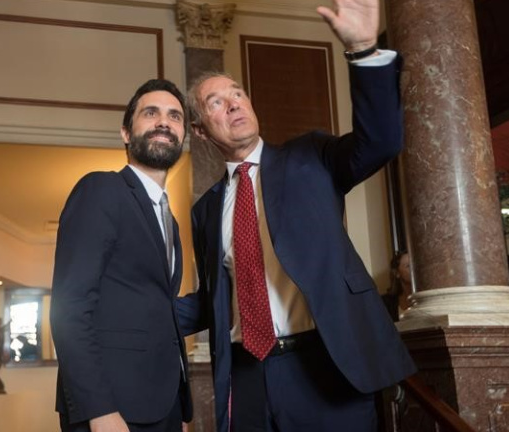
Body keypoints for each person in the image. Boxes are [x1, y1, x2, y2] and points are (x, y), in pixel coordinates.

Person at [175, 0, 416, 430]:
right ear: (199, 130)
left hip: (326, 369)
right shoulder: (205, 210)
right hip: (247, 377)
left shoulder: (310, 156)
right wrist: (129, 314)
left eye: (238, 94)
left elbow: (380, 142)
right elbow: (214, 298)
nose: (233, 104)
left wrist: (363, 51)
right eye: (216, 102)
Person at [51, 79, 192, 432]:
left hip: (163, 405)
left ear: (183, 136)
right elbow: (70, 307)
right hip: (112, 409)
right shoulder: (102, 189)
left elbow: (159, 310)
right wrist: (99, 410)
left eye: (175, 116)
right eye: (151, 113)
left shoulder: (169, 221)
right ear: (126, 134)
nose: (164, 122)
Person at [383, 251, 413, 321]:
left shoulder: (430, 297)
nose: (414, 268)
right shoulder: (386, 303)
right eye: (408, 266)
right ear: (397, 273)